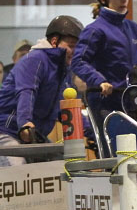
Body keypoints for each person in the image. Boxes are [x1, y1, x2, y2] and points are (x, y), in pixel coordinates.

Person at [0, 16, 81, 166]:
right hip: (6, 131)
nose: (74, 51)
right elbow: (26, 92)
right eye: (70, 45)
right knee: (17, 169)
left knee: (62, 166)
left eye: (77, 46)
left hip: (33, 136)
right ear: (54, 41)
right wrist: (24, 123)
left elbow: (66, 106)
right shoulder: (35, 59)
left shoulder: (62, 69)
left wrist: (87, 130)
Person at [71, 0, 137, 125]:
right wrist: (99, 81)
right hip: (106, 102)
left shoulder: (133, 27)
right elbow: (78, 61)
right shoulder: (95, 30)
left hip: (132, 101)